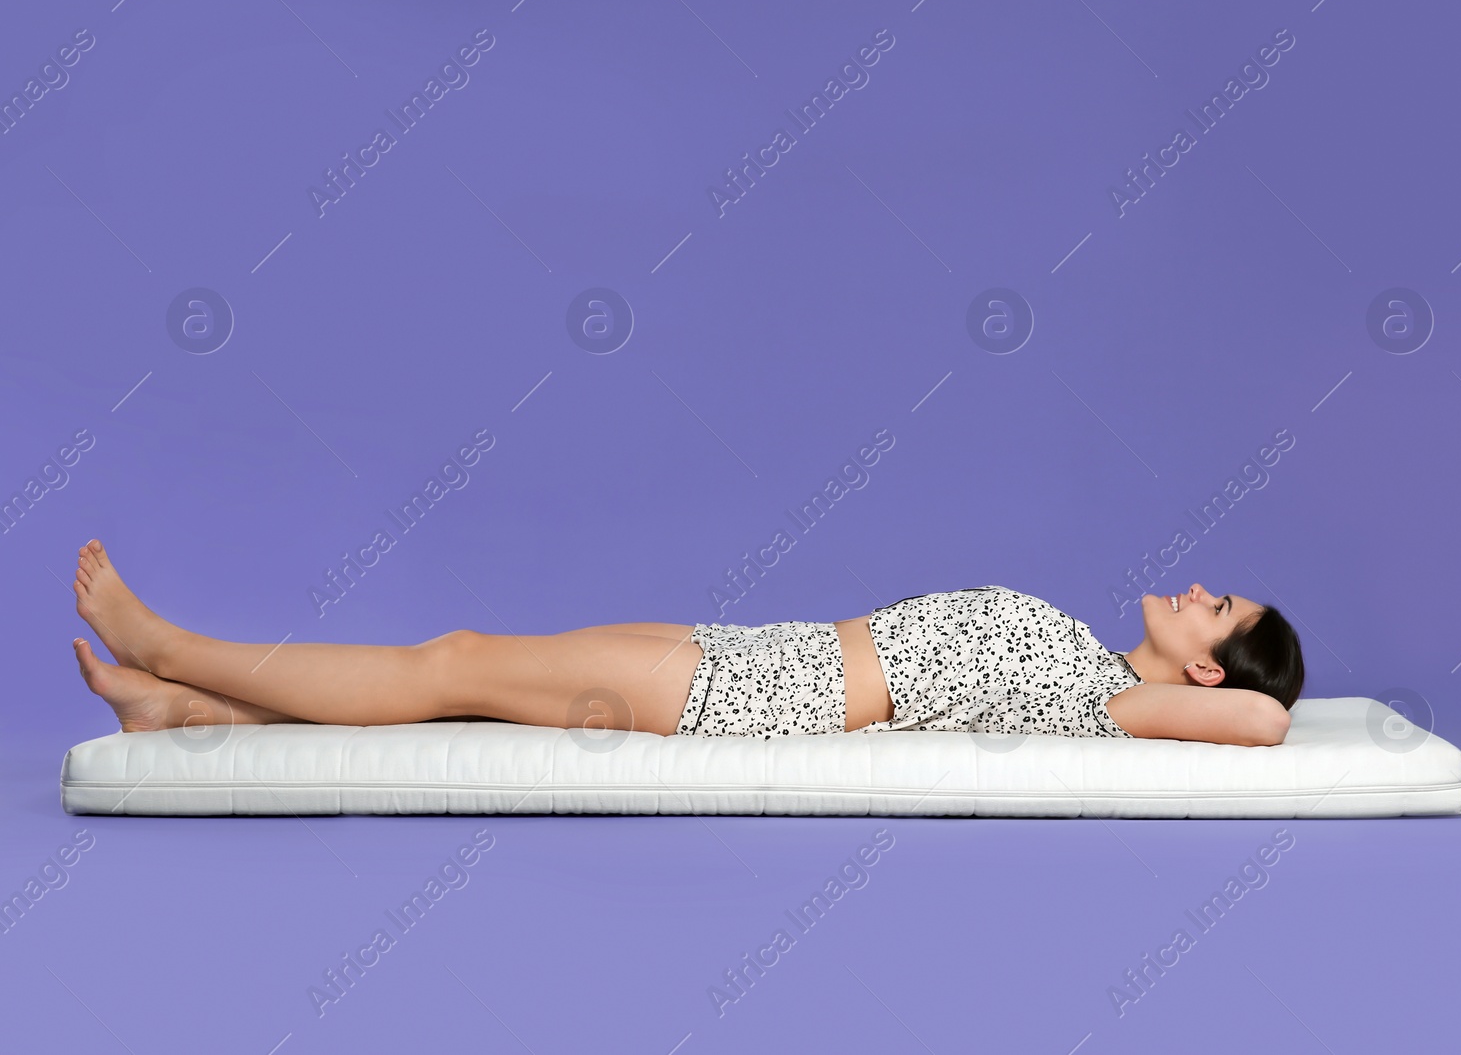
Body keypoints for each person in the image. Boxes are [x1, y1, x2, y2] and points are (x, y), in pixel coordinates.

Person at [70, 539, 1303, 748]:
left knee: (452, 662)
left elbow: (1266, 717)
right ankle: (186, 714)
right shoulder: (1089, 659)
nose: (1198, 590)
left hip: (752, 694)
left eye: (1218, 610)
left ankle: (168, 645)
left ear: (1202, 664)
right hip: (751, 650)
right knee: (470, 683)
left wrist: (1254, 687)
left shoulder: (1115, 702)